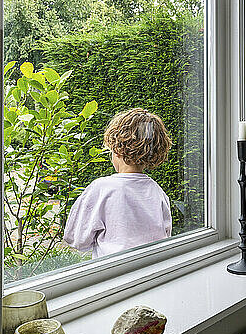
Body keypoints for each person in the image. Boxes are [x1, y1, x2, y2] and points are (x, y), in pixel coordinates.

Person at [63, 108, 173, 258]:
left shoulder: (102, 188)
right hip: (152, 270)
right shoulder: (157, 191)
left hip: (114, 274)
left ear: (118, 150)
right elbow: (165, 235)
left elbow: (76, 239)